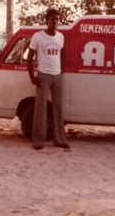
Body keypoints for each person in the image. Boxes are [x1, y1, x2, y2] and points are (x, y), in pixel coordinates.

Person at [27, 9, 70, 151]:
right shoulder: (38, 36)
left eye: (57, 19)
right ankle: (38, 141)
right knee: (40, 108)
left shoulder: (61, 37)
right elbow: (29, 56)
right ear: (47, 20)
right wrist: (32, 76)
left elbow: (62, 54)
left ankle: (60, 140)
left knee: (58, 108)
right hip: (43, 75)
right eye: (52, 19)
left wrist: (61, 70)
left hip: (57, 76)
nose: (55, 21)